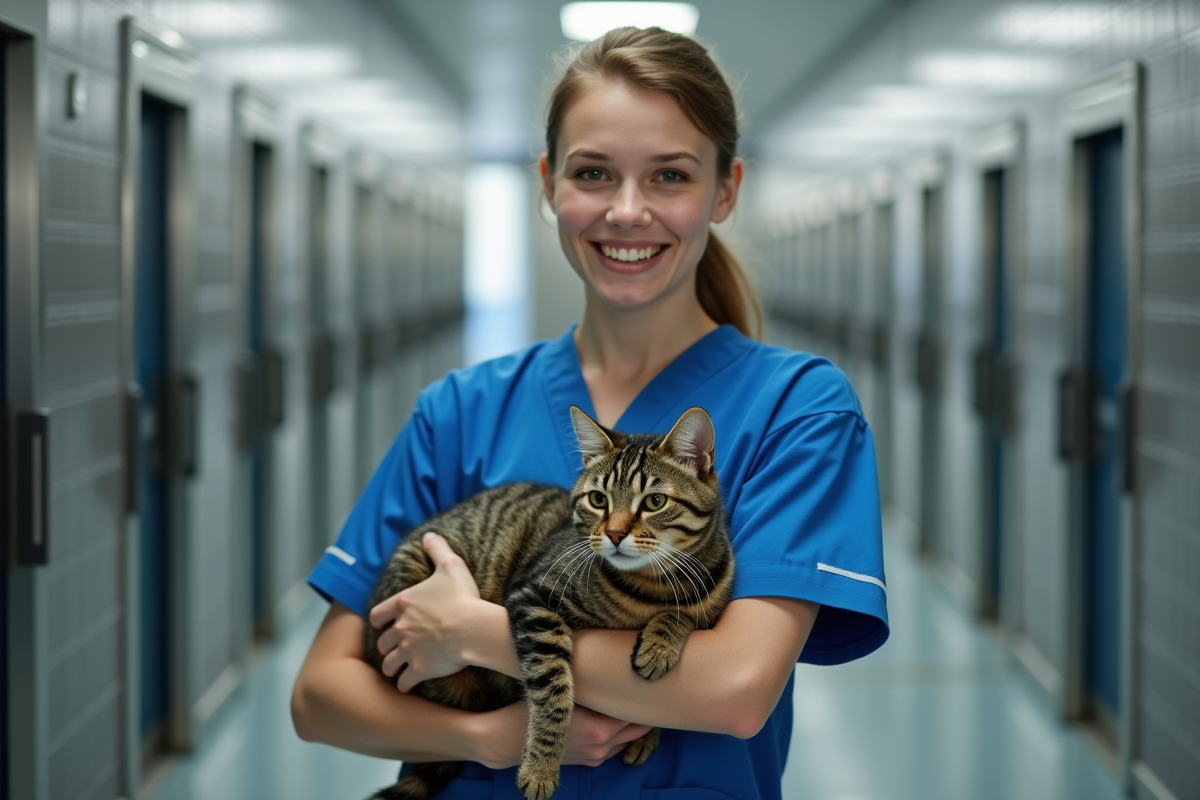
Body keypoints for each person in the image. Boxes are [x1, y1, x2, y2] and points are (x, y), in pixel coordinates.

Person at [293, 26, 889, 800]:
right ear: (549, 186)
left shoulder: (798, 409)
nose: (628, 211)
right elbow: (320, 695)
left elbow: (737, 690)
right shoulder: (461, 411)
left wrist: (476, 632)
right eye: (594, 173)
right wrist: (490, 736)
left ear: (725, 189)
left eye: (670, 175)